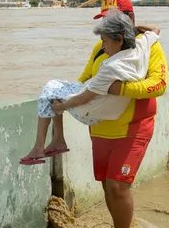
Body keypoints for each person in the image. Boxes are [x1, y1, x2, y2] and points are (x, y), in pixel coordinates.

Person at [80, 0, 168, 228]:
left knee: (118, 185)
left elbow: (159, 84)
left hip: (134, 126)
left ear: (129, 20)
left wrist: (120, 90)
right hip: (101, 128)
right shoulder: (99, 48)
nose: (106, 25)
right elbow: (85, 80)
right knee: (108, 186)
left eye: (111, 20)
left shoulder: (149, 47)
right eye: (103, 20)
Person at [19, 9, 160, 165]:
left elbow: (83, 98)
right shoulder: (141, 47)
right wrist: (127, 27)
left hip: (89, 111)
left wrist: (61, 106)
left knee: (50, 89)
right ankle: (58, 140)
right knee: (56, 89)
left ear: (119, 39)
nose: (103, 46)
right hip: (109, 108)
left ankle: (39, 147)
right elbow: (155, 30)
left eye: (105, 41)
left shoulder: (111, 67)